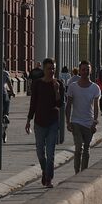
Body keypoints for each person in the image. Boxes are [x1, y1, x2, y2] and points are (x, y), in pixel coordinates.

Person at [25, 58, 65, 187]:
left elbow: (60, 104)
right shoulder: (37, 84)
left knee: (50, 152)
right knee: (40, 152)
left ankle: (48, 179)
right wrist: (28, 120)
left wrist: (57, 90)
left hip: (53, 122)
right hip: (39, 122)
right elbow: (33, 103)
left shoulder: (59, 83)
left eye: (53, 68)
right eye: (49, 68)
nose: (51, 71)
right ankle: (44, 170)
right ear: (44, 69)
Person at [64, 60, 102, 173]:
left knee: (86, 149)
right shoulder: (73, 87)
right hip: (76, 121)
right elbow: (68, 105)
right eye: (83, 69)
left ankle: (83, 171)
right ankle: (77, 172)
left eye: (87, 69)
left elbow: (96, 106)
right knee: (79, 147)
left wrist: (95, 121)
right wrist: (68, 122)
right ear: (79, 71)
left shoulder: (95, 88)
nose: (85, 72)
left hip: (89, 123)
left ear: (91, 70)